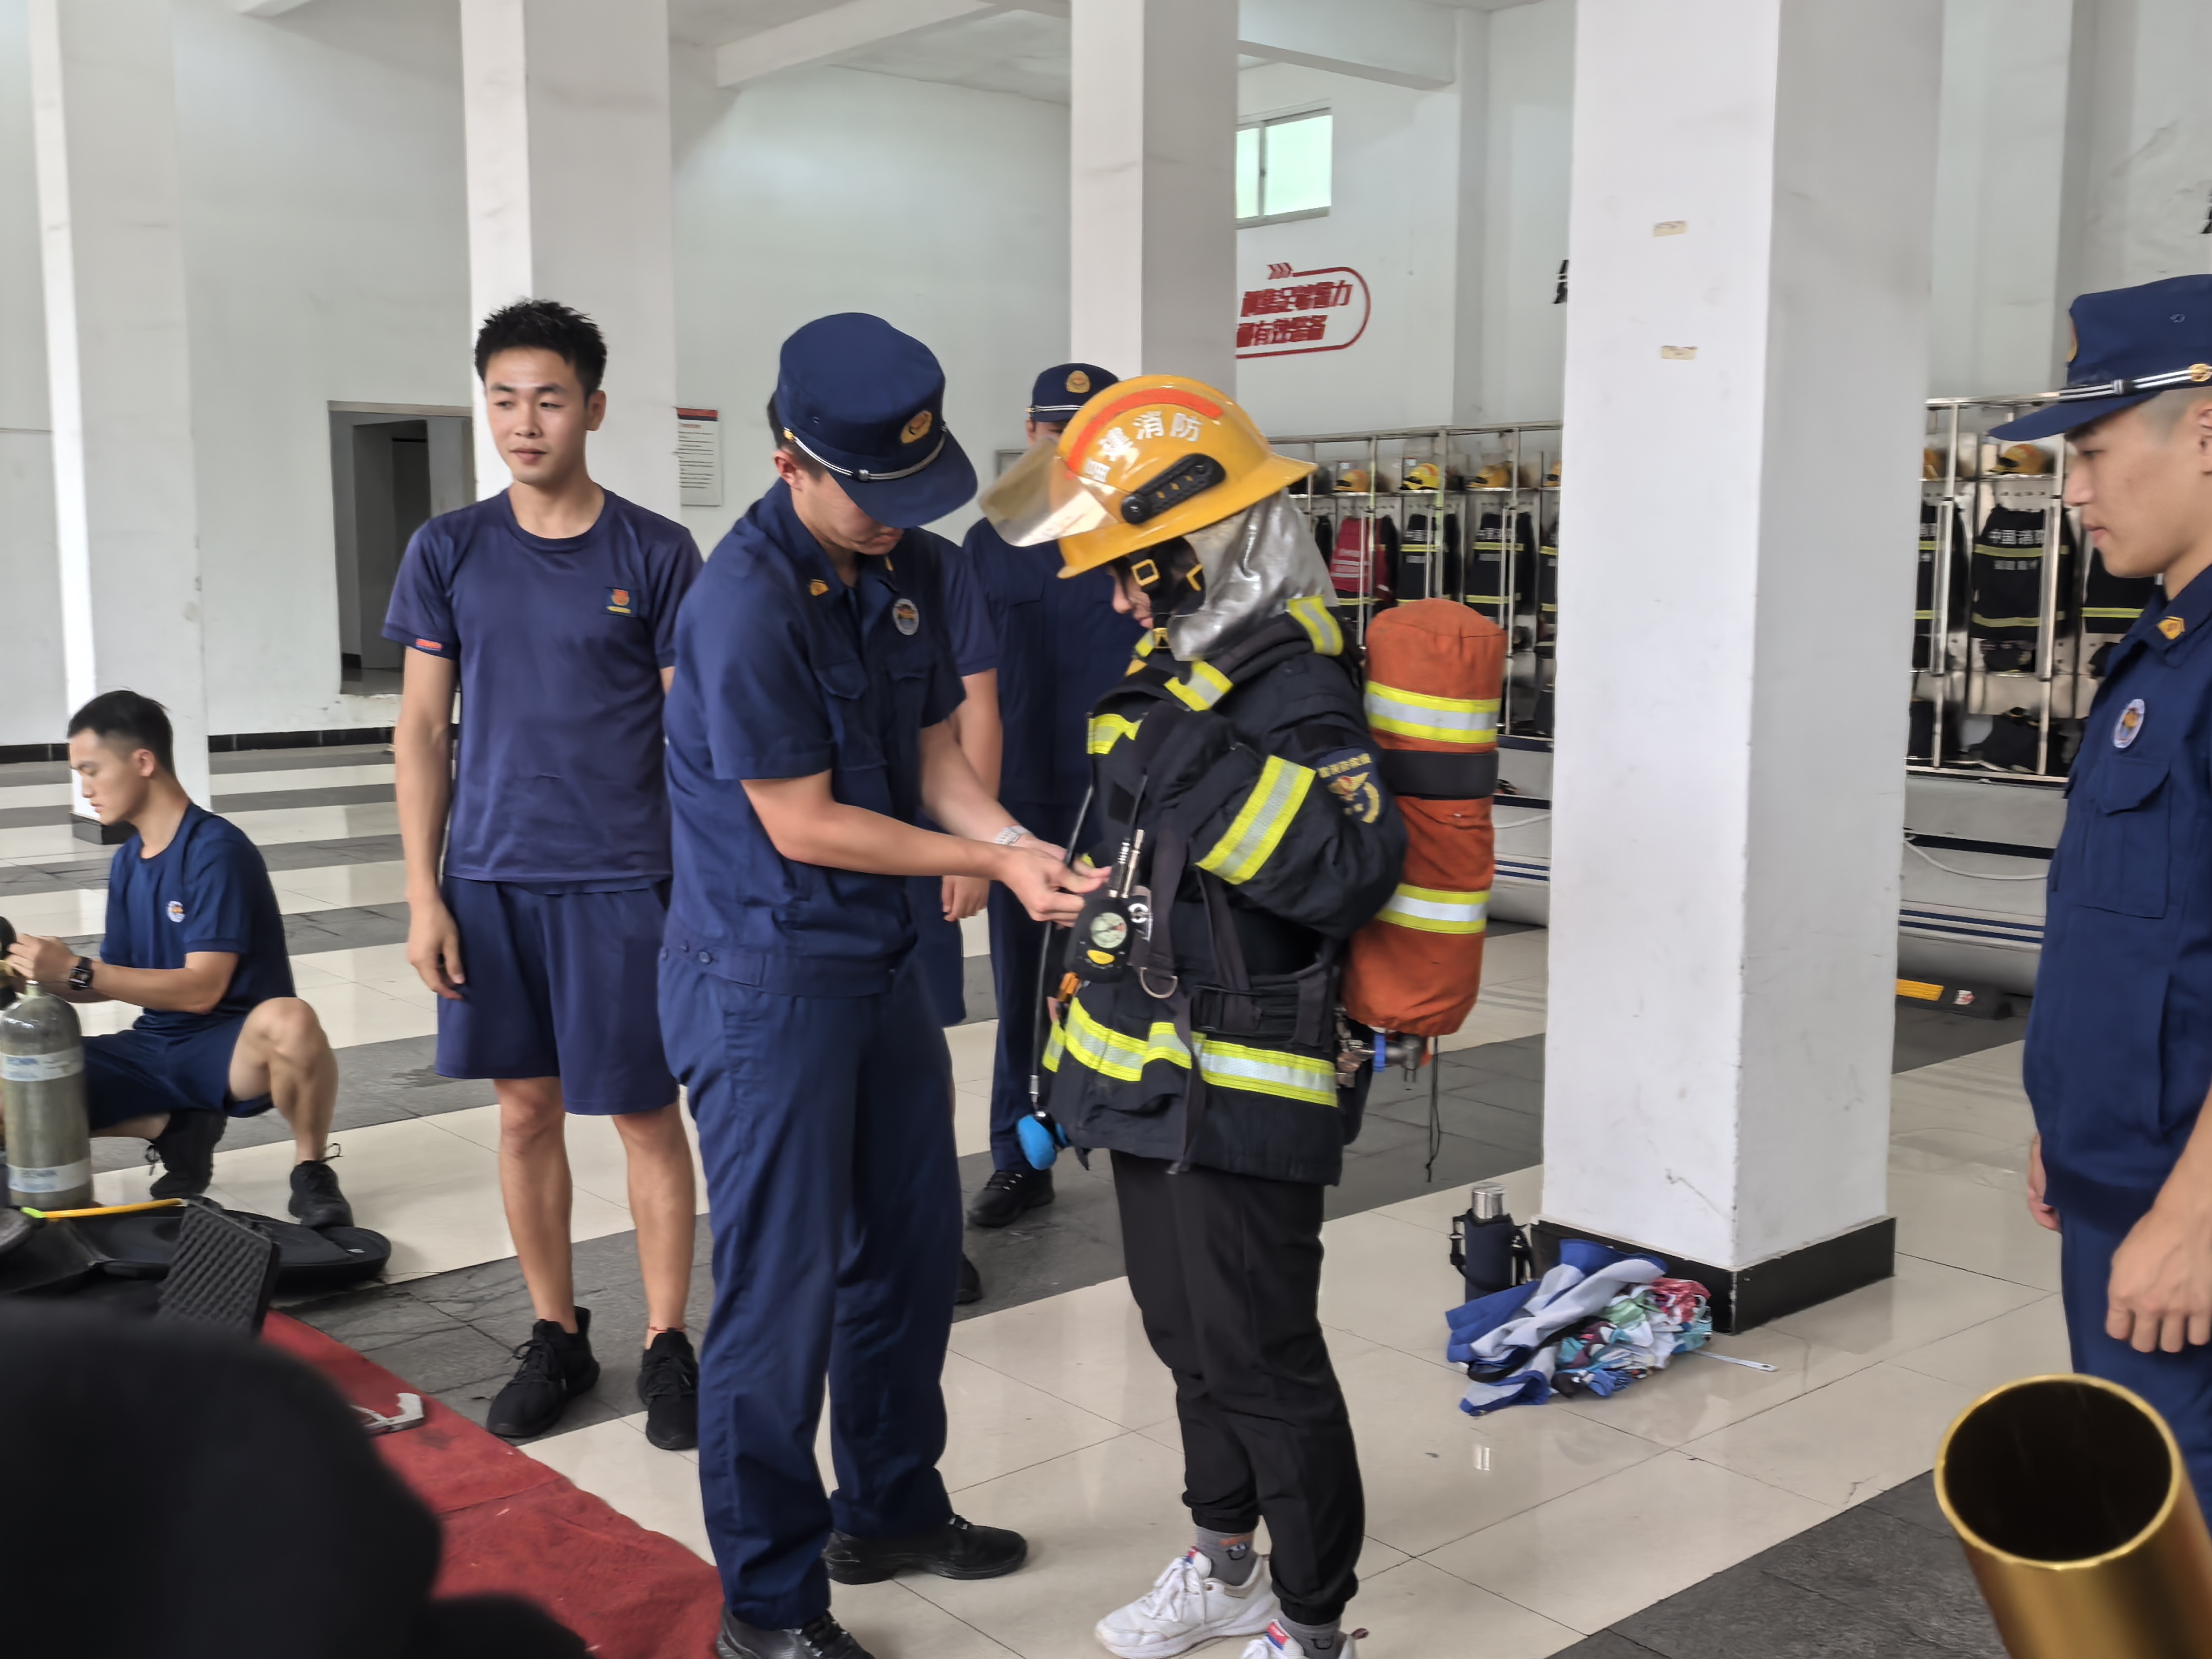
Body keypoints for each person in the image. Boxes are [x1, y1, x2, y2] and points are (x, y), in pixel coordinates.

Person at [659, 312, 1100, 1659]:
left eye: (917, 488)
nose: (899, 517)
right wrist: (985, 859)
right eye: (874, 492)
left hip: (882, 963)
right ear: (789, 462)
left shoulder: (906, 563)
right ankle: (768, 1603)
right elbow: (803, 821)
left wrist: (1015, 840)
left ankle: (891, 1506)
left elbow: (930, 757)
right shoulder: (740, 604)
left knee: (906, 1256)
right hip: (766, 980)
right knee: (779, 1294)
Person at [983, 375, 1406, 1659]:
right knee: (1186, 1337)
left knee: (1261, 1354)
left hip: (1244, 1089)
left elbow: (1351, 868)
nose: (1119, 599)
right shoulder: (1182, 673)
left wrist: (1190, 759)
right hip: (1155, 1078)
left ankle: (1312, 1621)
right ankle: (1224, 1560)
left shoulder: (1291, 685)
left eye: (1132, 572)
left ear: (1203, 548)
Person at [386, 299, 702, 1451]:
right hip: (490, 879)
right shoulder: (448, 549)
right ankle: (556, 1332)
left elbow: (692, 737)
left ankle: (667, 1340)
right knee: (524, 1112)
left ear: (594, 409)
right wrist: (425, 894)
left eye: (550, 399)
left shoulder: (654, 553)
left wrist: (703, 888)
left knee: (643, 1113)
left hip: (622, 880)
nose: (525, 422)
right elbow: (422, 731)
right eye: (505, 399)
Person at [2010, 273, 2212, 1515]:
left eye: (2089, 451)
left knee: (2181, 1534)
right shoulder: (2162, 649)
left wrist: (2195, 1211)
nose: (2072, 490)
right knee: (2144, 1516)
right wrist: (2066, 1108)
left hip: (2185, 1210)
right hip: (2122, 1179)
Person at [3, 691, 352, 1229]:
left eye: (91, 770)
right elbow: (108, 981)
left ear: (143, 761)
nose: (85, 789)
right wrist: (31, 974)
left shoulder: (216, 850)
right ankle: (177, 1128)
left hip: (231, 1047)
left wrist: (76, 968)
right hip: (154, 1046)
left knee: (292, 1020)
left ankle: (311, 1168)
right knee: (11, 1084)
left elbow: (202, 990)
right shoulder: (128, 861)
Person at [960, 362, 1142, 1229]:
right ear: (1030, 433)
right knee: (1027, 988)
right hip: (1024, 805)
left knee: (1141, 976)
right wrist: (977, 834)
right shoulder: (991, 542)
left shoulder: (1144, 530)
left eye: (1084, 430)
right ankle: (1019, 1155)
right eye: (1053, 429)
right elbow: (965, 693)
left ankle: (1149, 1143)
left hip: (1129, 800)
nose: (1065, 446)